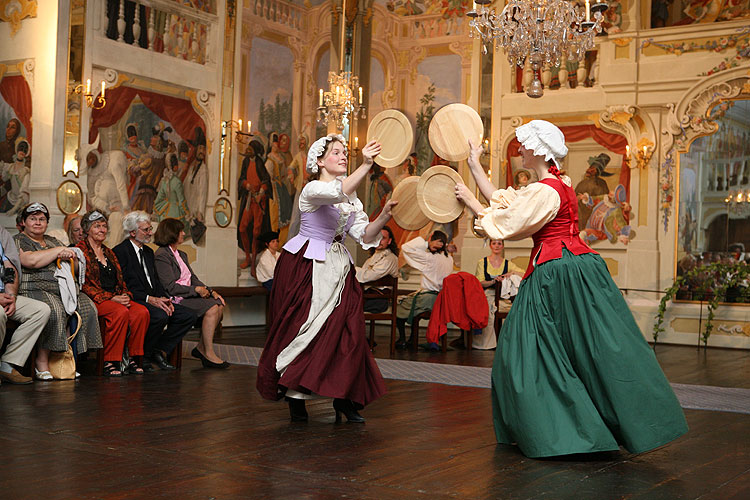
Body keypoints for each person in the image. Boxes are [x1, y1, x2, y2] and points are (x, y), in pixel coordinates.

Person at [455, 119, 688, 458]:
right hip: (572, 266)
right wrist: (475, 165)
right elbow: (508, 206)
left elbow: (507, 226)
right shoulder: (557, 184)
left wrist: (470, 203)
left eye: (522, 145)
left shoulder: (546, 190)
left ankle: (564, 431)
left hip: (556, 272)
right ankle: (577, 427)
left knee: (526, 350)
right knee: (582, 347)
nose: (518, 150)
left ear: (536, 149)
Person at [256, 134, 396, 423]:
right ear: (319, 161)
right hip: (306, 267)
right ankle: (296, 395)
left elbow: (365, 235)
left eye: (345, 153)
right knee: (305, 329)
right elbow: (336, 193)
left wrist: (382, 217)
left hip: (339, 268)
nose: (343, 156)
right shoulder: (311, 189)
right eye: (336, 153)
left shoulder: (352, 199)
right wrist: (367, 164)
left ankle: (345, 398)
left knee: (351, 331)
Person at [14, 203, 101, 380]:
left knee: (87, 306)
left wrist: (72, 257)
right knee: (55, 309)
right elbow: (30, 261)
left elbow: (76, 267)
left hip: (60, 288)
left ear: (47, 223)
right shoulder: (18, 240)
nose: (38, 223)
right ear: (24, 222)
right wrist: (58, 252)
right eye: (33, 219)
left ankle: (66, 358)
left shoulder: (53, 240)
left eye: (42, 219)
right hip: (32, 287)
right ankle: (42, 361)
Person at [113, 212, 197, 372]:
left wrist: (164, 299)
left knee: (187, 315)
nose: (150, 233)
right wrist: (149, 299)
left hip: (153, 299)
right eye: (146, 230)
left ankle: (157, 350)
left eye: (150, 228)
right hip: (135, 299)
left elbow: (156, 282)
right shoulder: (120, 252)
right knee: (159, 316)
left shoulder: (148, 252)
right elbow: (123, 286)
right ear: (132, 232)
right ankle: (143, 357)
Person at [78, 210, 149, 377]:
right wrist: (111, 298)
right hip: (93, 299)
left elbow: (121, 279)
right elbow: (83, 285)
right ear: (87, 229)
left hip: (115, 297)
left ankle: (131, 358)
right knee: (119, 312)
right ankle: (110, 360)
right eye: (97, 226)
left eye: (104, 226)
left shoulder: (109, 252)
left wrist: (125, 295)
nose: (102, 230)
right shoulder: (79, 250)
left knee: (141, 312)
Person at [153, 217, 228, 369]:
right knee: (212, 308)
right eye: (180, 231)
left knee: (219, 304)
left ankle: (201, 348)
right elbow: (170, 287)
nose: (184, 233)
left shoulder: (181, 254)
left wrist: (211, 291)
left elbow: (193, 278)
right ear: (171, 233)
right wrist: (195, 290)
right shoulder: (162, 255)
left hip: (188, 294)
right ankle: (209, 352)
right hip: (175, 298)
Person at [0, 221, 50, 385]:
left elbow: (11, 267)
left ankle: (6, 365)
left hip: (4, 294)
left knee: (41, 310)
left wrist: (11, 296)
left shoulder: (2, 234)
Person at [394, 231, 454, 350]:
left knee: (398, 309)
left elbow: (406, 248)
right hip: (442, 300)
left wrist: (427, 244)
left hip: (429, 299)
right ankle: (412, 338)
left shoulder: (429, 258)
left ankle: (402, 339)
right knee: (410, 303)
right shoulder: (449, 259)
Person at [468, 239, 523, 350]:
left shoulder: (507, 263)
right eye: (494, 243)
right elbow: (480, 282)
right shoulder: (482, 262)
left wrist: (510, 273)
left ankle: (504, 342)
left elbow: (524, 273)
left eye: (499, 243)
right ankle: (484, 342)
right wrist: (494, 282)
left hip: (502, 295)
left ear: (502, 246)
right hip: (486, 293)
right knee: (488, 307)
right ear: (490, 246)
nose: (496, 246)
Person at [356, 225, 399, 313]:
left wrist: (352, 269)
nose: (379, 241)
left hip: (380, 299)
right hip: (368, 296)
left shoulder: (390, 258)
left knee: (348, 305)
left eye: (383, 238)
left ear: (389, 241)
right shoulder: (370, 259)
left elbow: (368, 276)